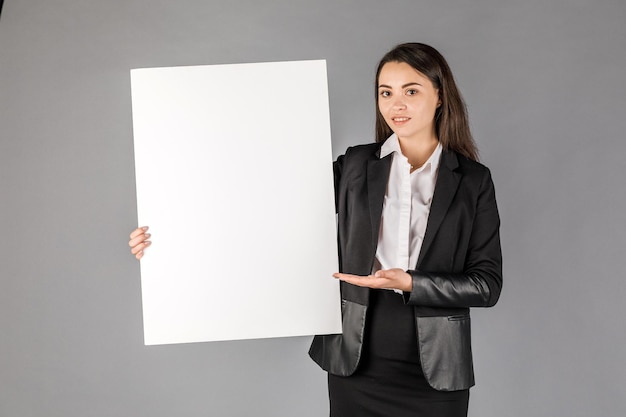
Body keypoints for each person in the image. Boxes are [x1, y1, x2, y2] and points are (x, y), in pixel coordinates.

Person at [129, 42, 502, 417]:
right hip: (357, 362)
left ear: (440, 96)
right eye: (385, 93)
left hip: (436, 370)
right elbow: (266, 205)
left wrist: (409, 282)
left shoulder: (472, 181)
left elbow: (486, 285)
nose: (396, 104)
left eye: (411, 91)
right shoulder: (356, 165)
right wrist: (168, 234)